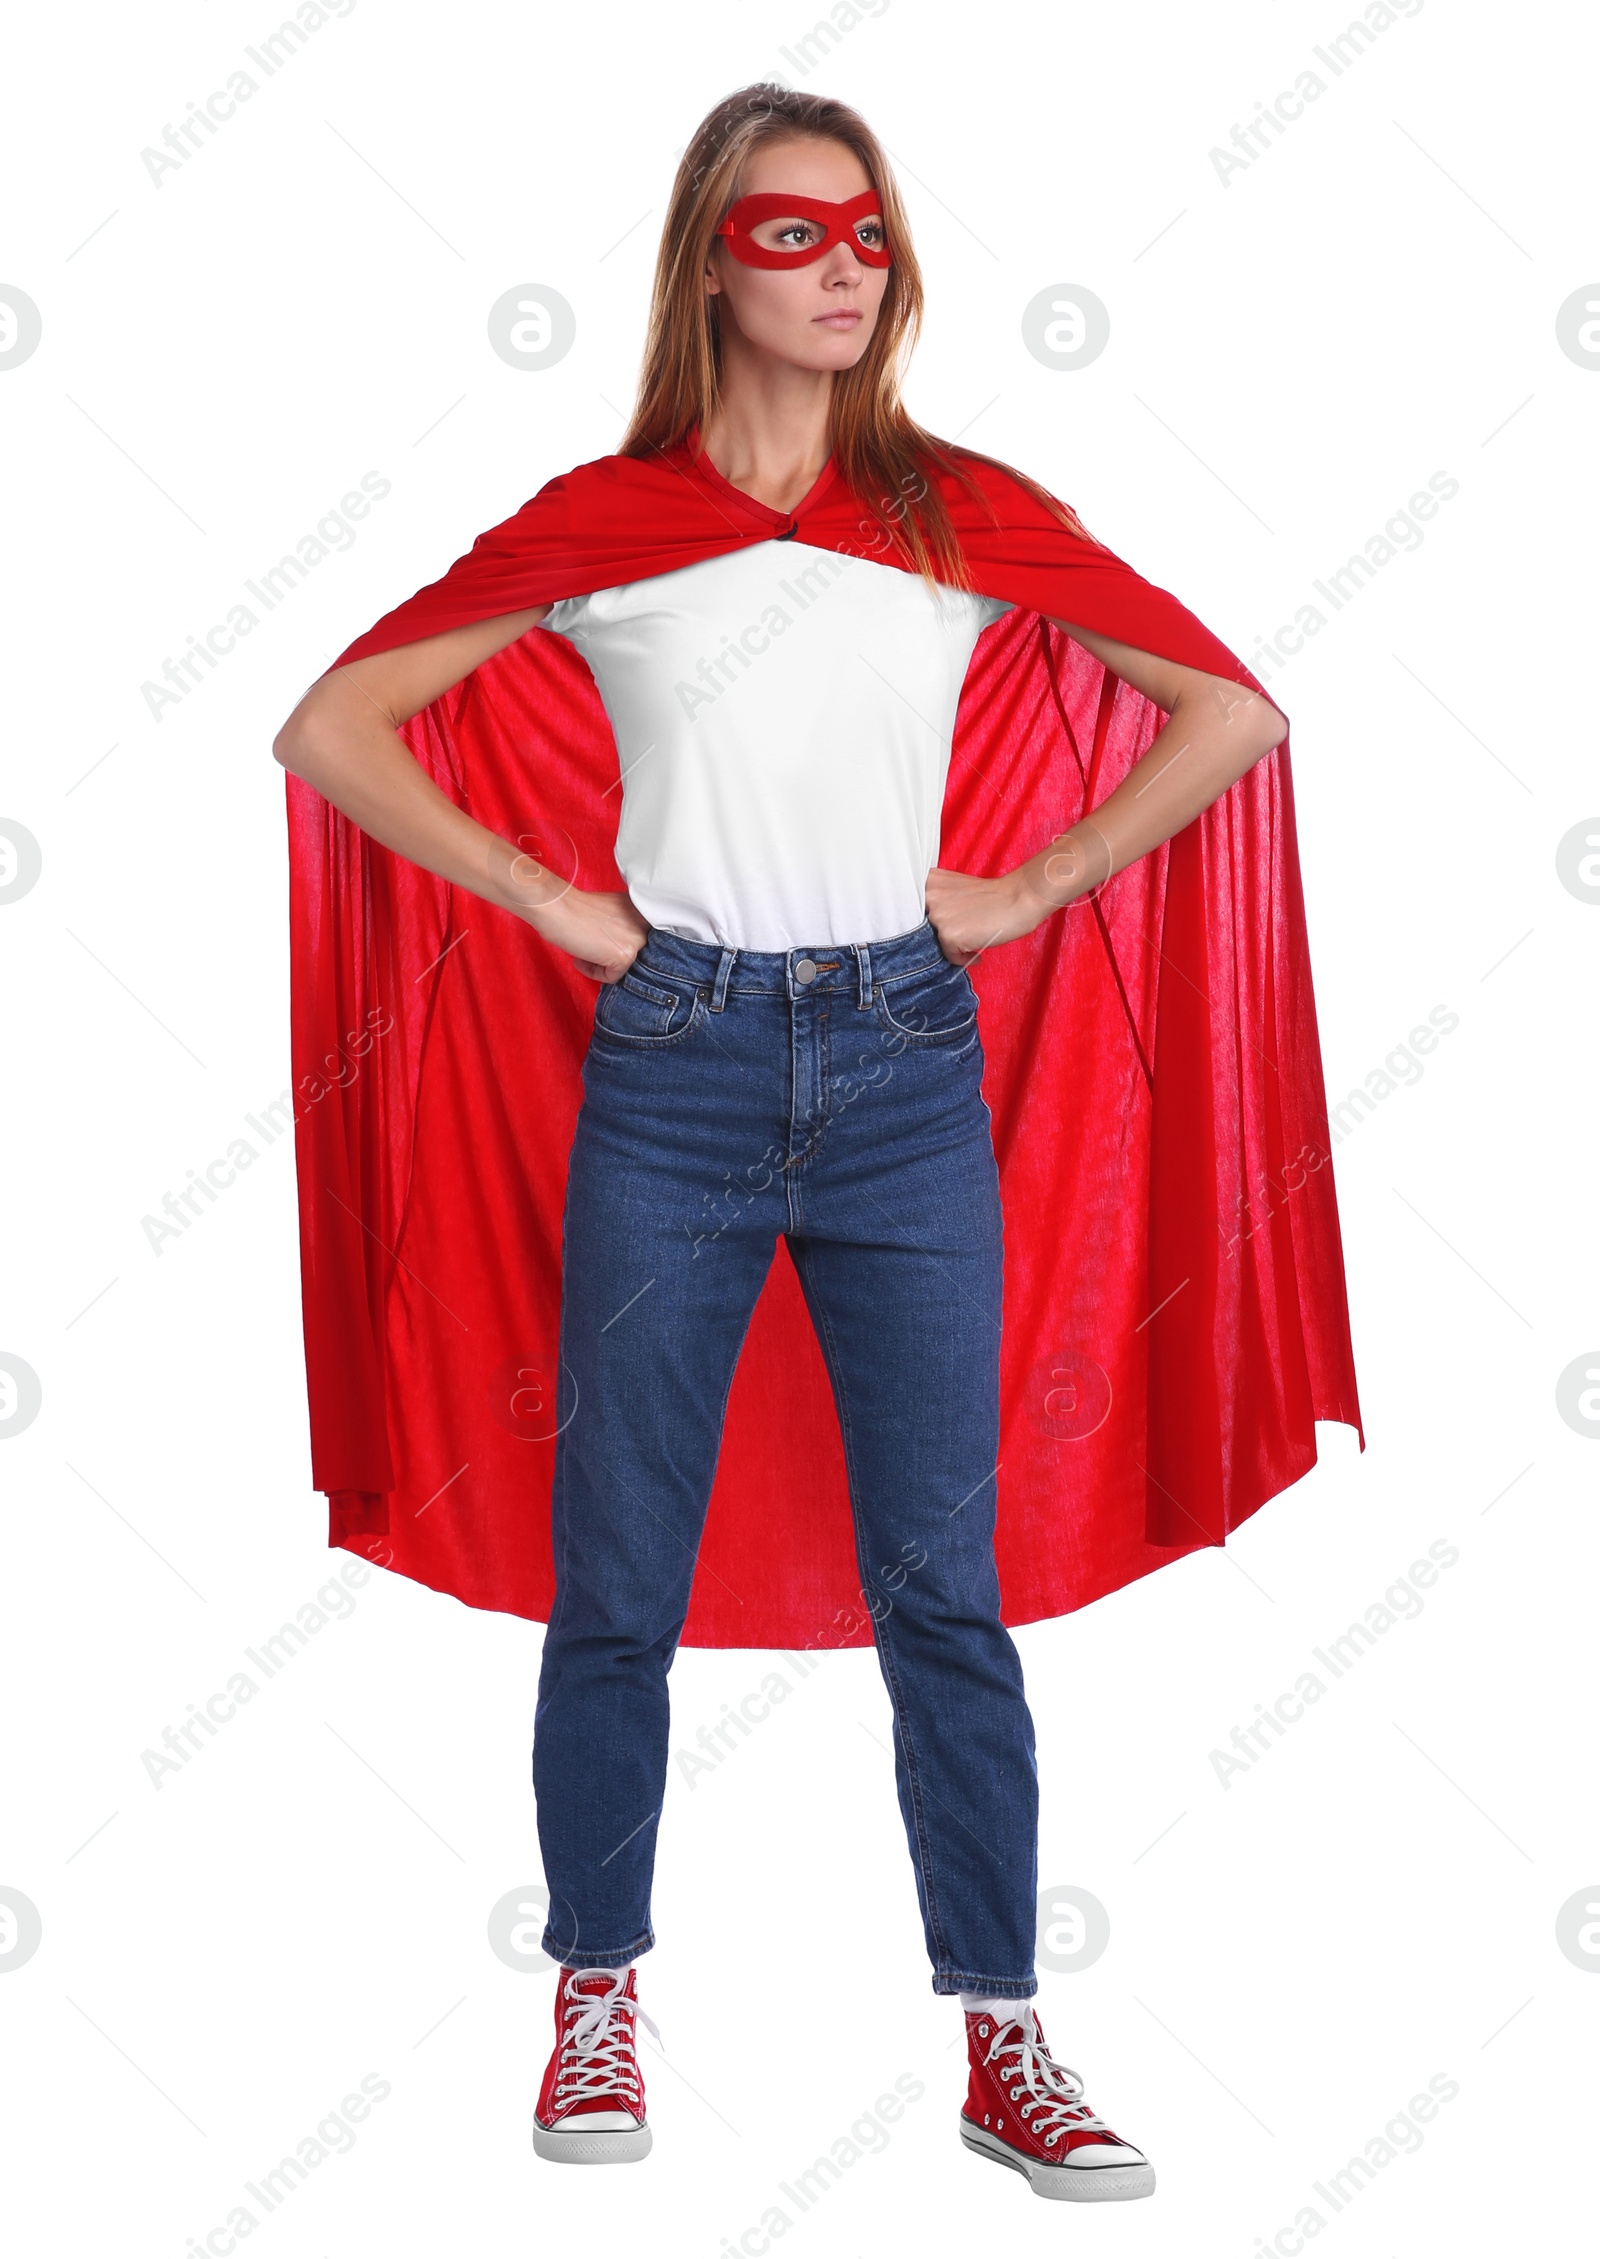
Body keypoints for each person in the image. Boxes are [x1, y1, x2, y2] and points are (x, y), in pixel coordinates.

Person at [274, 84, 1339, 2202]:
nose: (845, 263)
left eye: (867, 232)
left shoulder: (953, 515)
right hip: (666, 1068)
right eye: (793, 234)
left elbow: (1234, 710)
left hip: (901, 1068)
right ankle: (593, 1989)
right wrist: (565, 904)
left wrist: (1026, 888)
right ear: (706, 266)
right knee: (617, 1579)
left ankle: (1000, 2040)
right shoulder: (609, 524)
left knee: (945, 1584)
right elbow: (331, 724)